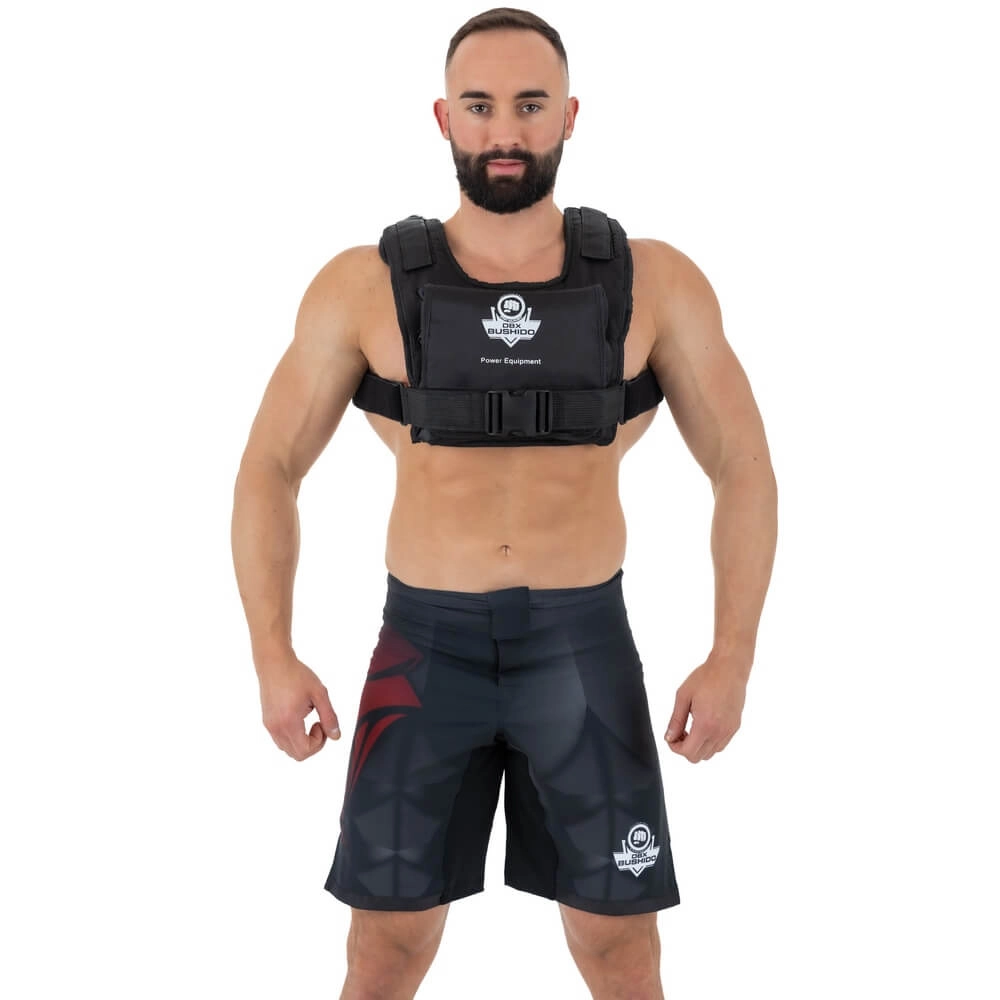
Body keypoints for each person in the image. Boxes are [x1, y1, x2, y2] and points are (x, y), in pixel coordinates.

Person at [231, 8, 777, 998]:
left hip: (580, 649)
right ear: (444, 117)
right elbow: (269, 465)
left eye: (530, 105)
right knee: (384, 949)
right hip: (423, 651)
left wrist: (731, 654)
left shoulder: (654, 283)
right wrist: (273, 653)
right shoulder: (363, 286)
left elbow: (742, 465)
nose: (505, 131)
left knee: (620, 948)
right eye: (480, 106)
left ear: (570, 114)